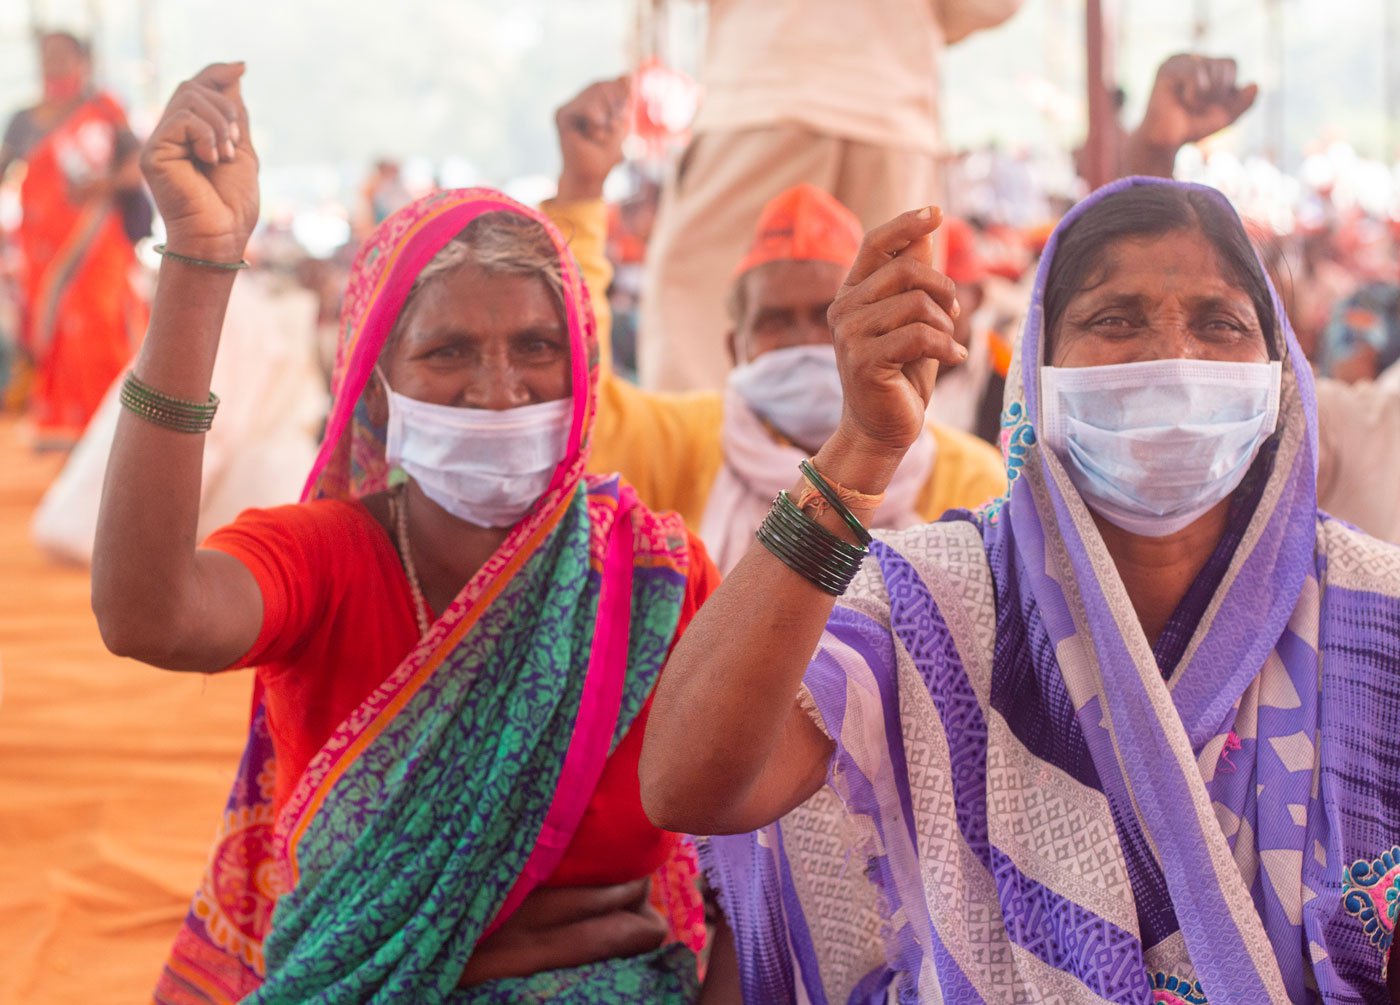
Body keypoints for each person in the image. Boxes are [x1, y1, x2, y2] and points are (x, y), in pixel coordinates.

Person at [641, 178, 1400, 1000]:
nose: (1175, 355)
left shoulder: (1373, 614)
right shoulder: (930, 601)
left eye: (1220, 323)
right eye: (1116, 318)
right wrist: (860, 447)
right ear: (1039, 369)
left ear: (1279, 372)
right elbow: (691, 782)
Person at [90, 63, 723, 1003]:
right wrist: (198, 263)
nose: (499, 389)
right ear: (377, 380)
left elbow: (751, 853)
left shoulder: (653, 574)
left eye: (537, 349)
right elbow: (150, 613)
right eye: (448, 351)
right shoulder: (328, 553)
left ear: (586, 368)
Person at [539, 79, 1005, 546]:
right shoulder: (688, 443)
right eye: (775, 321)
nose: (804, 341)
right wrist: (580, 192)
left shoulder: (968, 479)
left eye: (829, 317)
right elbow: (580, 409)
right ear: (734, 348)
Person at [637, 0, 1023, 392]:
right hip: (892, 114)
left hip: (765, 89)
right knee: (893, 372)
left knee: (697, 340)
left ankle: (703, 453)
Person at [0, 31, 148, 447]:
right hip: (43, 249)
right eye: (46, 54)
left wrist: (103, 185)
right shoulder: (24, 119)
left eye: (63, 54)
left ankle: (113, 429)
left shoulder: (104, 109)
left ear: (83, 60)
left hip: (99, 245)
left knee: (101, 322)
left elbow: (138, 165)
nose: (54, 62)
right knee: (54, 330)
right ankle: (68, 432)